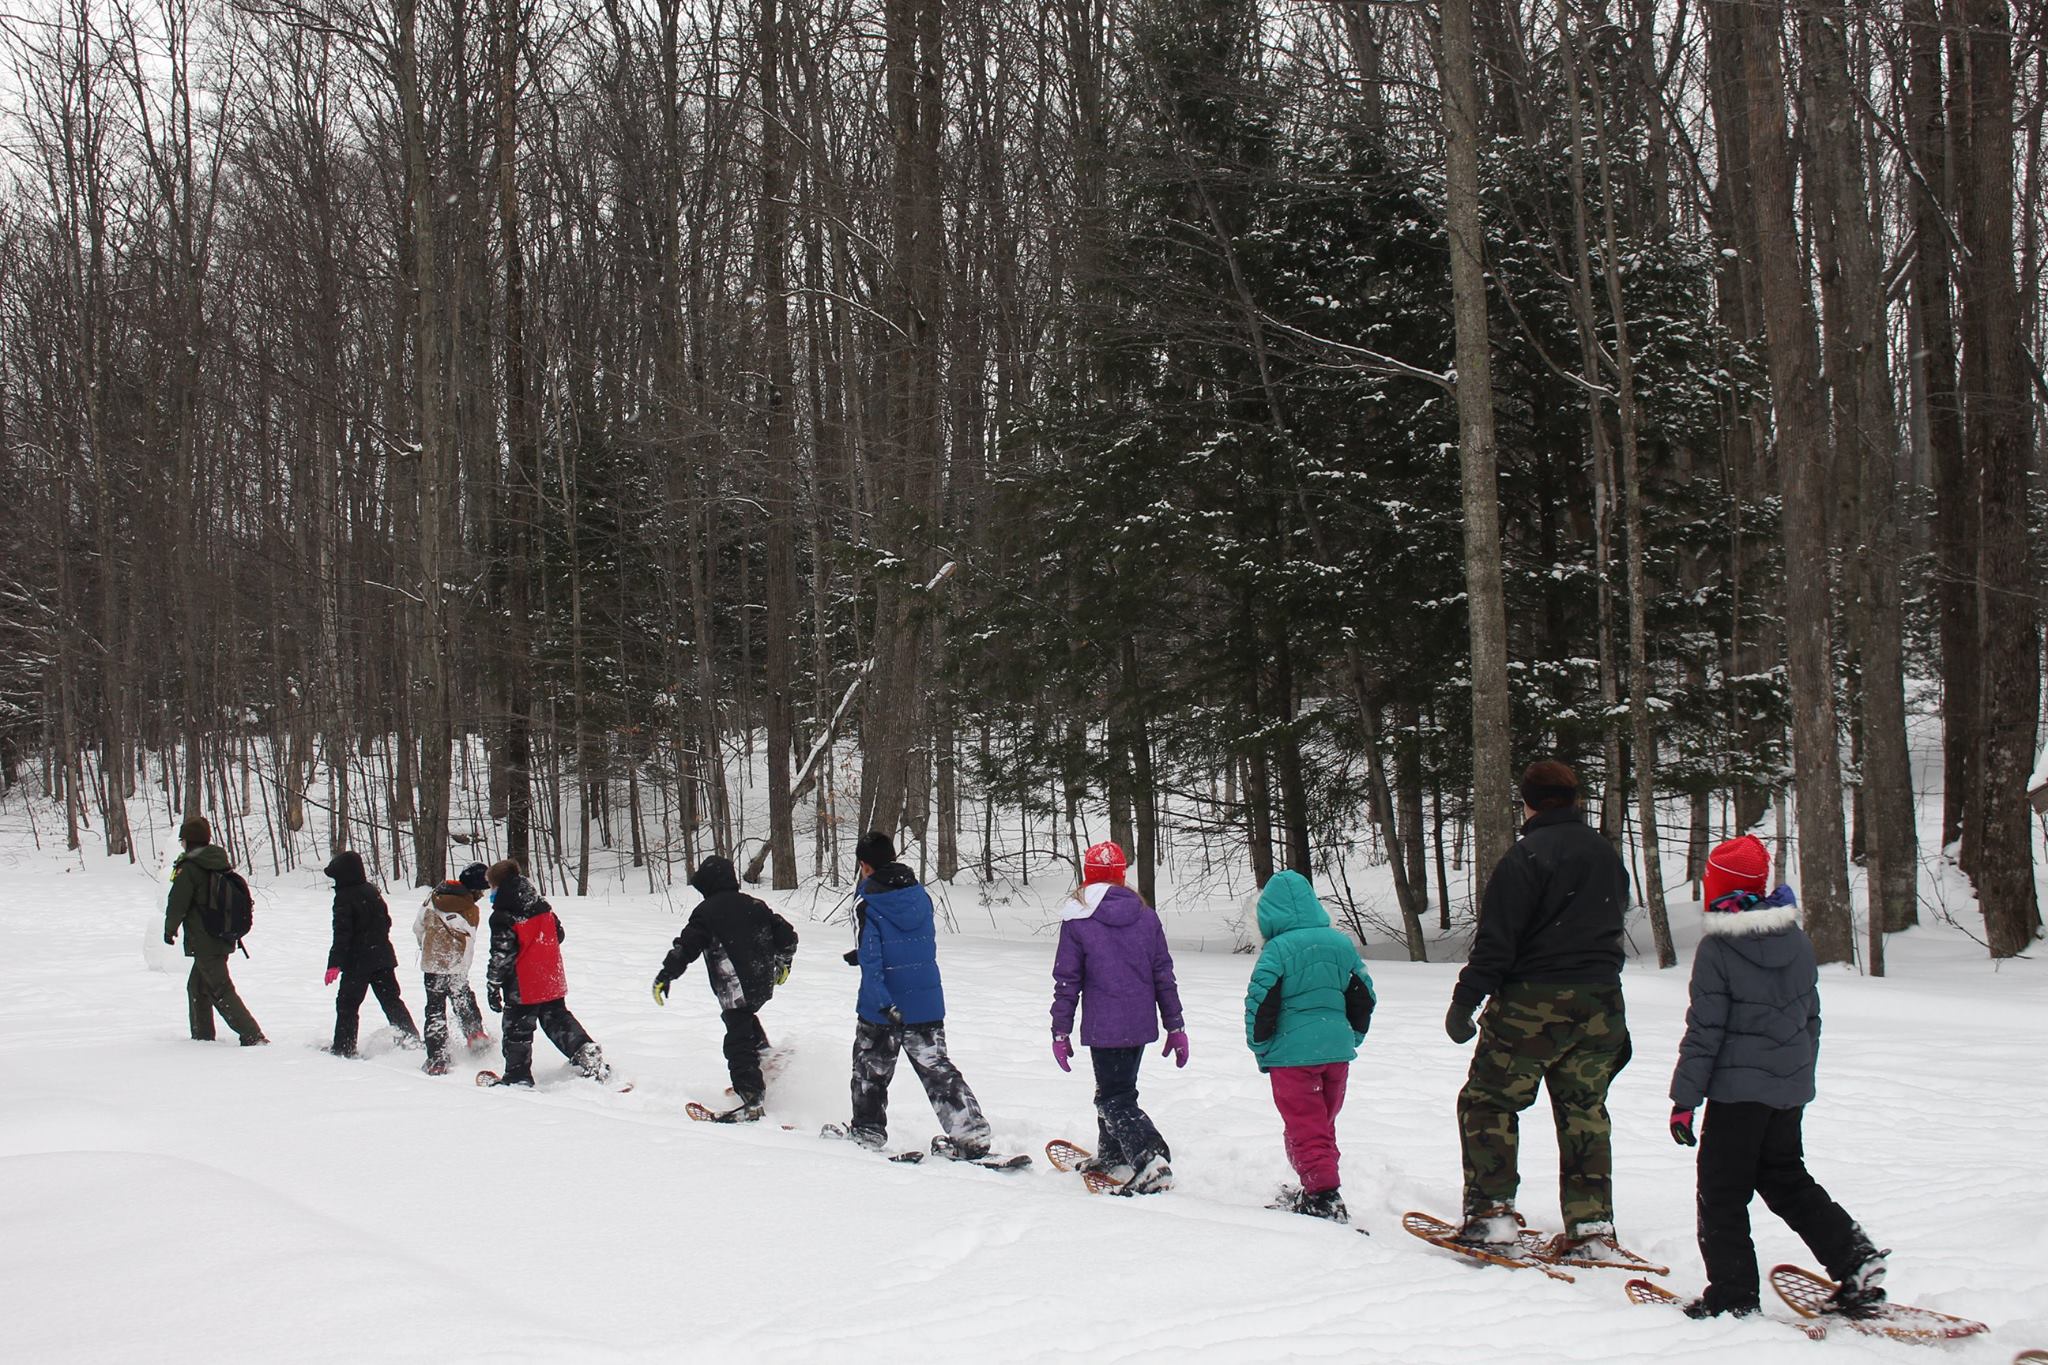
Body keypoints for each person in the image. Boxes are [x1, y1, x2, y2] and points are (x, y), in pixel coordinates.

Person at [1669, 835, 1888, 1319]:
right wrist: (1796, 1082)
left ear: (1720, 886)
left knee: (1722, 1192)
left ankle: (1733, 1296)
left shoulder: (1719, 948)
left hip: (1737, 1095)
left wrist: (1685, 1100)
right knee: (1785, 1179)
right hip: (1786, 1091)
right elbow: (1810, 1019)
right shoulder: (1796, 939)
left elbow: (1705, 1031)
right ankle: (1856, 1259)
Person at [1443, 759, 1631, 1258]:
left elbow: (1497, 941)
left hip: (1534, 1000)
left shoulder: (1525, 858)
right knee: (1584, 1111)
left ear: (1526, 801)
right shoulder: (1606, 856)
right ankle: (1592, 1227)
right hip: (1600, 1001)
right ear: (1575, 800)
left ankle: (1490, 1216)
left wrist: (1466, 999)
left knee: (1489, 1102)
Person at [822, 831, 993, 1158]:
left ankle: (867, 1130)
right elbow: (911, 941)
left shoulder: (867, 898)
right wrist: (862, 953)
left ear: (865, 865)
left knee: (870, 1068)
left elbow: (872, 958)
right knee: (937, 1069)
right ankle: (971, 1133)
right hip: (925, 999)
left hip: (885, 1003)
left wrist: (881, 999)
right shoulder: (919, 894)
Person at [1049, 839, 1186, 1195]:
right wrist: (1175, 1025)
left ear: (1088, 875)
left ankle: (1150, 1158)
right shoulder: (1145, 914)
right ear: (1121, 877)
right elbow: (1163, 975)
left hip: (1104, 1025)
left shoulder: (1078, 918)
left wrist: (1060, 1031)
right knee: (1114, 1089)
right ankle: (1113, 1156)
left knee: (1114, 1099)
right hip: (1139, 1025)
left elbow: (1067, 981)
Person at [1242, 869, 1376, 1223]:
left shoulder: (1276, 951)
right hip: (1336, 1052)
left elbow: (1260, 1003)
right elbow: (1363, 996)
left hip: (1292, 1056)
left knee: (1305, 1125)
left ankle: (1323, 1196)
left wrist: (1260, 1047)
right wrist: (1351, 1036)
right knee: (1322, 1123)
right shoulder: (1341, 943)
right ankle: (1316, 1184)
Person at [652, 854, 799, 1120]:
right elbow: (787, 935)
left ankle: (752, 1097)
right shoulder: (756, 904)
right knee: (743, 1020)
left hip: (735, 985)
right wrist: (784, 962)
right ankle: (765, 1058)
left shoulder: (707, 912)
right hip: (761, 983)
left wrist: (667, 974)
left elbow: (687, 946)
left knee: (737, 1041)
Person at [484, 858, 609, 1086]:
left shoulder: (503, 915)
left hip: (523, 983)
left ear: (498, 886)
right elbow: (558, 934)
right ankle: (585, 1051)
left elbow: (501, 956)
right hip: (550, 976)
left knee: (517, 1030)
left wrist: (493, 985)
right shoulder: (541, 905)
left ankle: (517, 1076)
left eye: (491, 887)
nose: (490, 893)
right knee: (557, 1019)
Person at [162, 815, 267, 1046]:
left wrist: (170, 929)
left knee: (220, 988)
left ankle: (252, 1034)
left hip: (205, 940)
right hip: (221, 935)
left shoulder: (190, 867)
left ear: (188, 841)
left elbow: (177, 901)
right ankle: (202, 1037)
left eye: (183, 841)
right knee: (197, 987)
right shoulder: (217, 862)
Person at [323, 851, 422, 1057]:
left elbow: (342, 934)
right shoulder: (371, 890)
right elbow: (386, 922)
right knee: (391, 1000)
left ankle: (344, 1047)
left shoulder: (344, 897)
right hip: (382, 957)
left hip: (358, 961)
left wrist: (335, 963)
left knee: (347, 1004)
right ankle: (410, 1039)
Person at [415, 861, 491, 1076]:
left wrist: (427, 947)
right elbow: (469, 941)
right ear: (475, 889)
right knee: (463, 997)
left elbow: (418, 927)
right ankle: (476, 1037)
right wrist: (462, 964)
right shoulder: (470, 910)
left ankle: (437, 1057)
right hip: (456, 964)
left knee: (435, 1009)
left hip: (432, 963)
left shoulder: (432, 898)